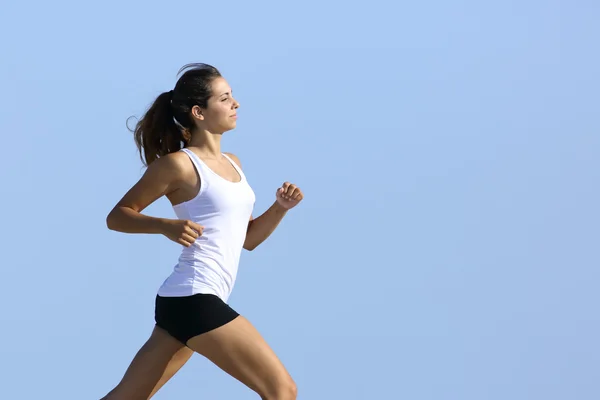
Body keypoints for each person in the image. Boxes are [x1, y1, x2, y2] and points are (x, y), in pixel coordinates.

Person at [100, 63, 302, 400]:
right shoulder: (179, 164)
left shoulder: (235, 162)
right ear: (199, 112)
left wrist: (279, 208)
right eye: (225, 98)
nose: (235, 104)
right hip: (194, 297)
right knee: (282, 390)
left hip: (186, 302)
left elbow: (247, 240)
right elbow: (118, 216)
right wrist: (165, 226)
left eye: (232, 96)